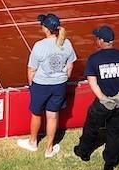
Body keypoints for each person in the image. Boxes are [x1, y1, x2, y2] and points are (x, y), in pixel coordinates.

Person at [73, 25, 119, 170]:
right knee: (115, 133)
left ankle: (84, 152)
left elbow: (92, 82)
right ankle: (110, 162)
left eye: (97, 38)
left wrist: (103, 99)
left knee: (91, 128)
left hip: (102, 104)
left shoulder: (94, 58)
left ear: (101, 40)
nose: (96, 40)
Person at [17, 13, 77, 158]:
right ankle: (49, 149)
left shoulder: (39, 46)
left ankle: (33, 143)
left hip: (41, 85)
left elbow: (31, 69)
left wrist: (32, 86)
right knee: (52, 116)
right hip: (59, 85)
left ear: (45, 28)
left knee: (36, 113)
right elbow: (70, 66)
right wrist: (63, 78)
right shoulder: (66, 43)